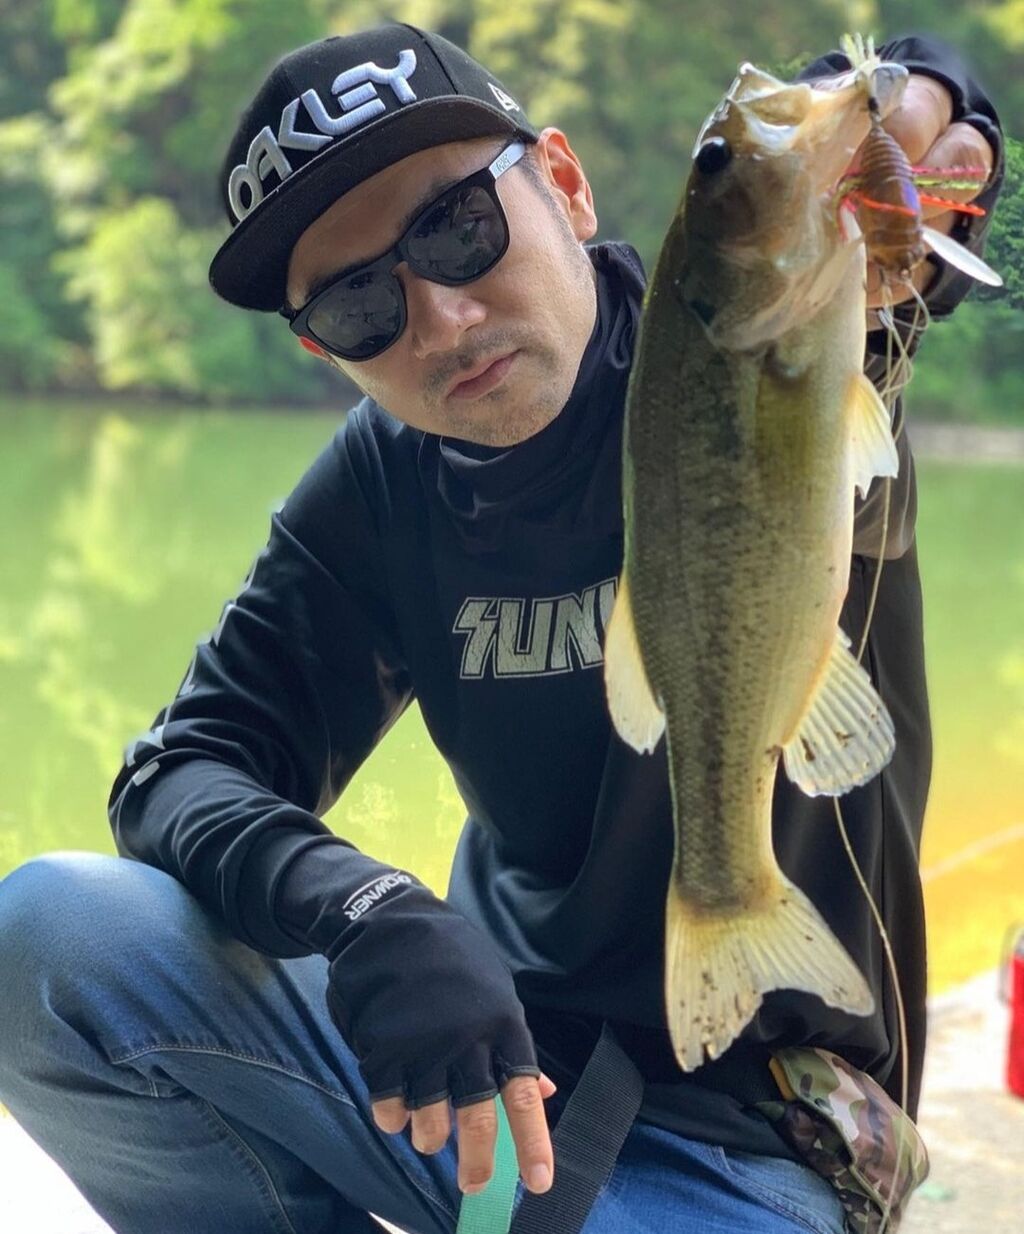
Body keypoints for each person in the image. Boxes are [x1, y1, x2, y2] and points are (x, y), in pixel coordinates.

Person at [0, 21, 1004, 1234]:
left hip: (753, 1146)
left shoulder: (753, 343)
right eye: (360, 303)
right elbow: (182, 769)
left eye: (457, 228)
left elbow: (896, 198)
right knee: (52, 942)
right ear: (323, 350)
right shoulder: (383, 480)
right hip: (478, 1082)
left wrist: (919, 113)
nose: (441, 316)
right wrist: (365, 908)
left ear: (566, 185)